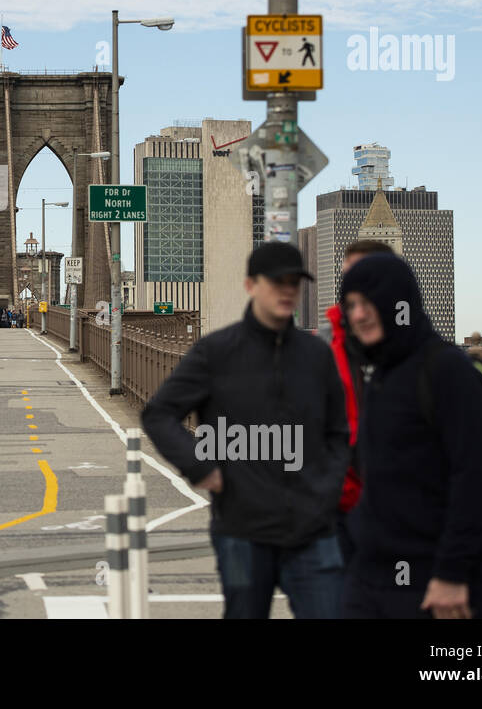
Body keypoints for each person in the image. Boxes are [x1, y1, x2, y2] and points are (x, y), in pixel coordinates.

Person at [142, 241, 349, 619]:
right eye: (278, 282)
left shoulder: (317, 355)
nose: (288, 290)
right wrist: (201, 468)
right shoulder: (215, 353)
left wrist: (328, 484)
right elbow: (159, 415)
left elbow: (339, 432)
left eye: (295, 282)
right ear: (251, 285)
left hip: (313, 528)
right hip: (242, 529)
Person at [339, 253, 482, 619]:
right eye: (351, 305)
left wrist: (452, 574)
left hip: (433, 580)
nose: (358, 314)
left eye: (368, 302)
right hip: (373, 572)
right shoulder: (379, 373)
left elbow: (472, 478)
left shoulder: (446, 369)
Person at [320, 239, 396, 564]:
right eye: (349, 274)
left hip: (402, 509)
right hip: (334, 508)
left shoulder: (427, 354)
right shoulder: (321, 346)